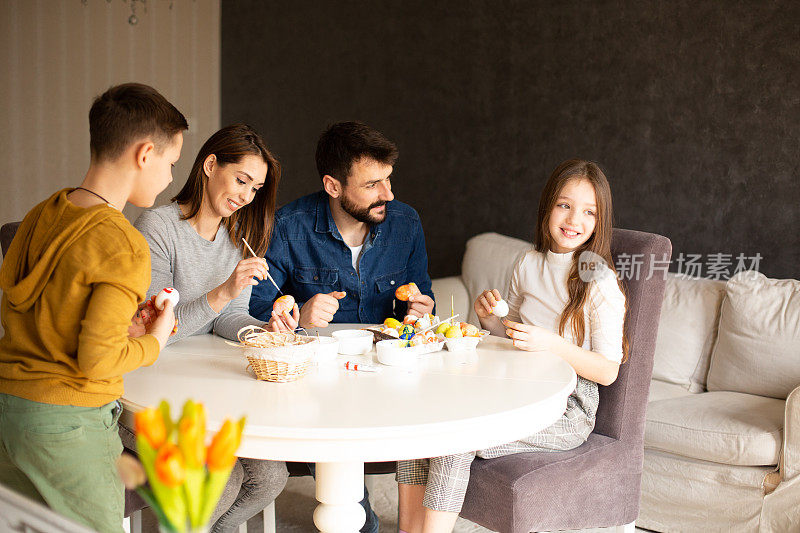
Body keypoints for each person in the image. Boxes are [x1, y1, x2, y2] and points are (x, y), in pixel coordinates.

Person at [396, 159, 629, 533]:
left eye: (590, 212)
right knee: (426, 425)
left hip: (568, 409)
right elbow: (513, 334)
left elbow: (607, 370)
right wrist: (490, 320)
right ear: (547, 206)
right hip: (516, 387)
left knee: (455, 438)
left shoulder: (598, 280)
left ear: (600, 222)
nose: (574, 219)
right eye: (564, 205)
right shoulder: (529, 262)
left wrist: (551, 343)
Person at [0, 83, 183, 532]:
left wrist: (126, 329)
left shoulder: (44, 212)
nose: (170, 178)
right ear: (145, 154)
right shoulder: (122, 244)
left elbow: (44, 312)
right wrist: (156, 340)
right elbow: (96, 360)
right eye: (171, 163)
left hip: (11, 412)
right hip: (68, 425)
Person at [249, 121, 436, 533]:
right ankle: (359, 521)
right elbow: (258, 306)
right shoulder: (289, 226)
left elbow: (421, 295)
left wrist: (421, 309)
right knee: (329, 430)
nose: (388, 194)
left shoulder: (405, 223)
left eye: (388, 180)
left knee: (436, 415)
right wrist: (299, 310)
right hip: (320, 380)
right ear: (333, 186)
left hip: (389, 369)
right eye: (373, 185)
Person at [132, 123, 290, 532]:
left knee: (272, 476)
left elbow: (228, 318)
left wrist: (263, 329)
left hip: (203, 385)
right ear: (209, 164)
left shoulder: (237, 237)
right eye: (241, 180)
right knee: (225, 476)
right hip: (149, 392)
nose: (245, 196)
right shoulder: (158, 227)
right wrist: (223, 291)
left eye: (255, 188)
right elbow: (155, 332)